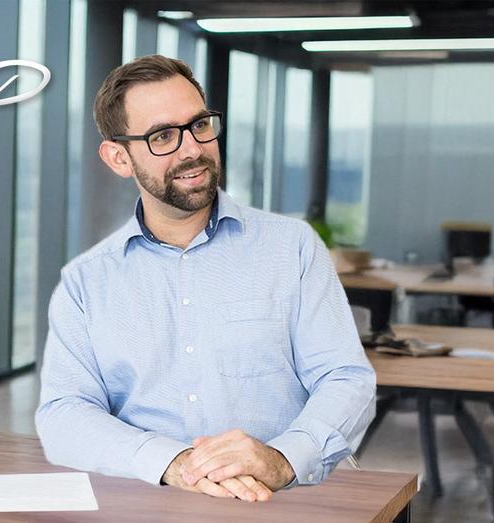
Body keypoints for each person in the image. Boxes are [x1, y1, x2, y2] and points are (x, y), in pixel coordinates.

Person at [35, 55, 375, 502]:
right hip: (148, 502)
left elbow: (345, 377)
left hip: (280, 503)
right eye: (162, 136)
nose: (192, 149)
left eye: (199, 125)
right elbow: (64, 413)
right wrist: (175, 464)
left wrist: (282, 459)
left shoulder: (292, 247)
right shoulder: (85, 282)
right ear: (119, 157)